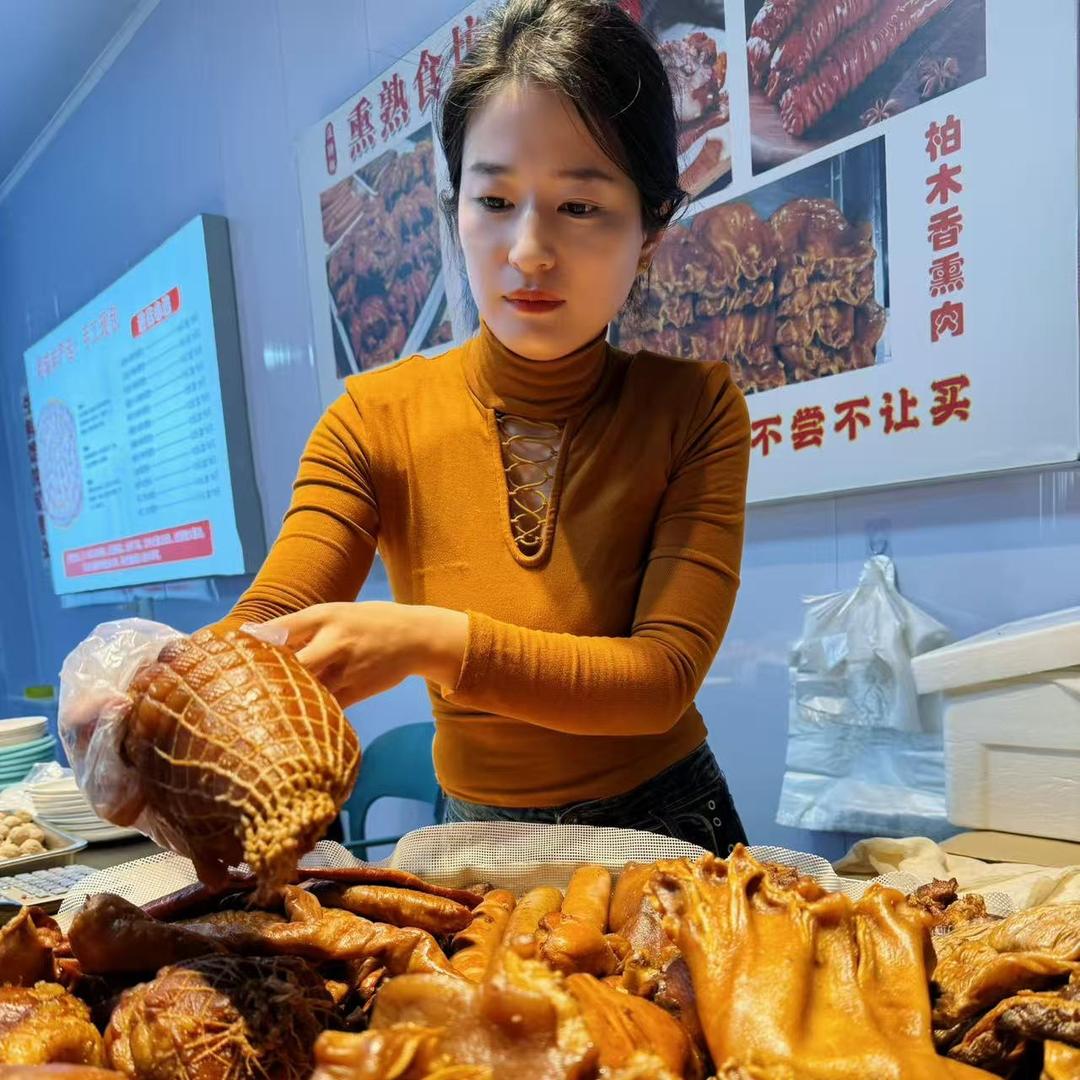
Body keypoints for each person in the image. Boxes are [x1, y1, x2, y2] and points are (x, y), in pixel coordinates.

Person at [218, 0, 751, 854]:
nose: (529, 251)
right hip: (480, 841)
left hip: (672, 829)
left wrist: (428, 638)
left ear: (649, 228)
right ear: (453, 206)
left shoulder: (695, 408)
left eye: (581, 207)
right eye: (495, 199)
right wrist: (151, 682)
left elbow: (658, 681)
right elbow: (273, 618)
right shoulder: (371, 420)